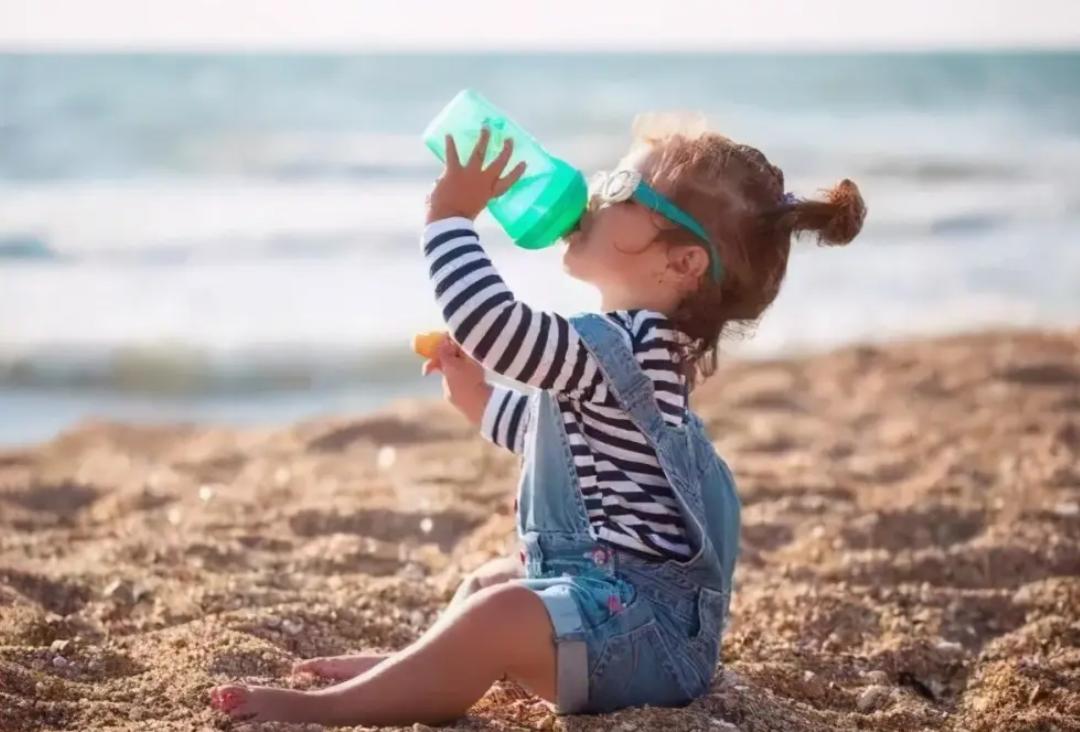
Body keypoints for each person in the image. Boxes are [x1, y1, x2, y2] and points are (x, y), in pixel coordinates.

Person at [211, 119, 866, 725]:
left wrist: (449, 217)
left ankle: (332, 710)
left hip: (646, 639)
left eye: (621, 187)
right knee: (490, 584)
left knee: (500, 610)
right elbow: (552, 438)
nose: (592, 193)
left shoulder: (631, 346)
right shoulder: (633, 351)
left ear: (682, 262)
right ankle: (416, 670)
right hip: (612, 610)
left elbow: (493, 326)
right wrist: (479, 396)